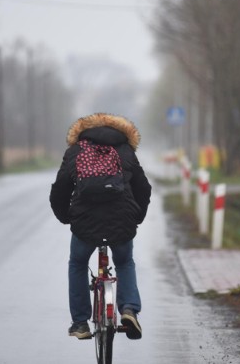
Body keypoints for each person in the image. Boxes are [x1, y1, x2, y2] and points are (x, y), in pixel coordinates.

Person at [50, 113, 152, 340]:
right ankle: (129, 309)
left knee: (77, 262)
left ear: (82, 132)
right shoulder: (125, 152)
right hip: (121, 222)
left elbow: (59, 191)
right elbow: (143, 188)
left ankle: (80, 323)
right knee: (124, 261)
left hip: (85, 223)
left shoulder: (75, 153)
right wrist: (136, 217)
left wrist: (67, 218)